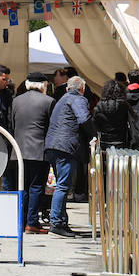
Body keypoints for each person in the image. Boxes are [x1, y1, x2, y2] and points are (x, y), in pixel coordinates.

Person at [45, 76, 93, 238]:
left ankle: (61, 220)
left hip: (53, 144)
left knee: (61, 185)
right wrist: (94, 134)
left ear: (67, 88)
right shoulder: (78, 99)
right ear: (82, 89)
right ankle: (57, 222)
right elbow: (84, 119)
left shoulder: (63, 99)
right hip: (66, 147)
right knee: (63, 186)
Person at [11, 75, 55, 234]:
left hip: (18, 150)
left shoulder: (16, 100)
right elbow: (51, 127)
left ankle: (20, 221)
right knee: (36, 187)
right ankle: (32, 222)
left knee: (22, 186)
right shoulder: (48, 101)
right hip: (38, 149)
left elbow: (12, 124)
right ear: (43, 85)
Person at [91, 79, 132, 149]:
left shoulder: (100, 105)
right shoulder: (124, 105)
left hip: (104, 142)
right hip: (121, 141)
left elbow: (95, 123)